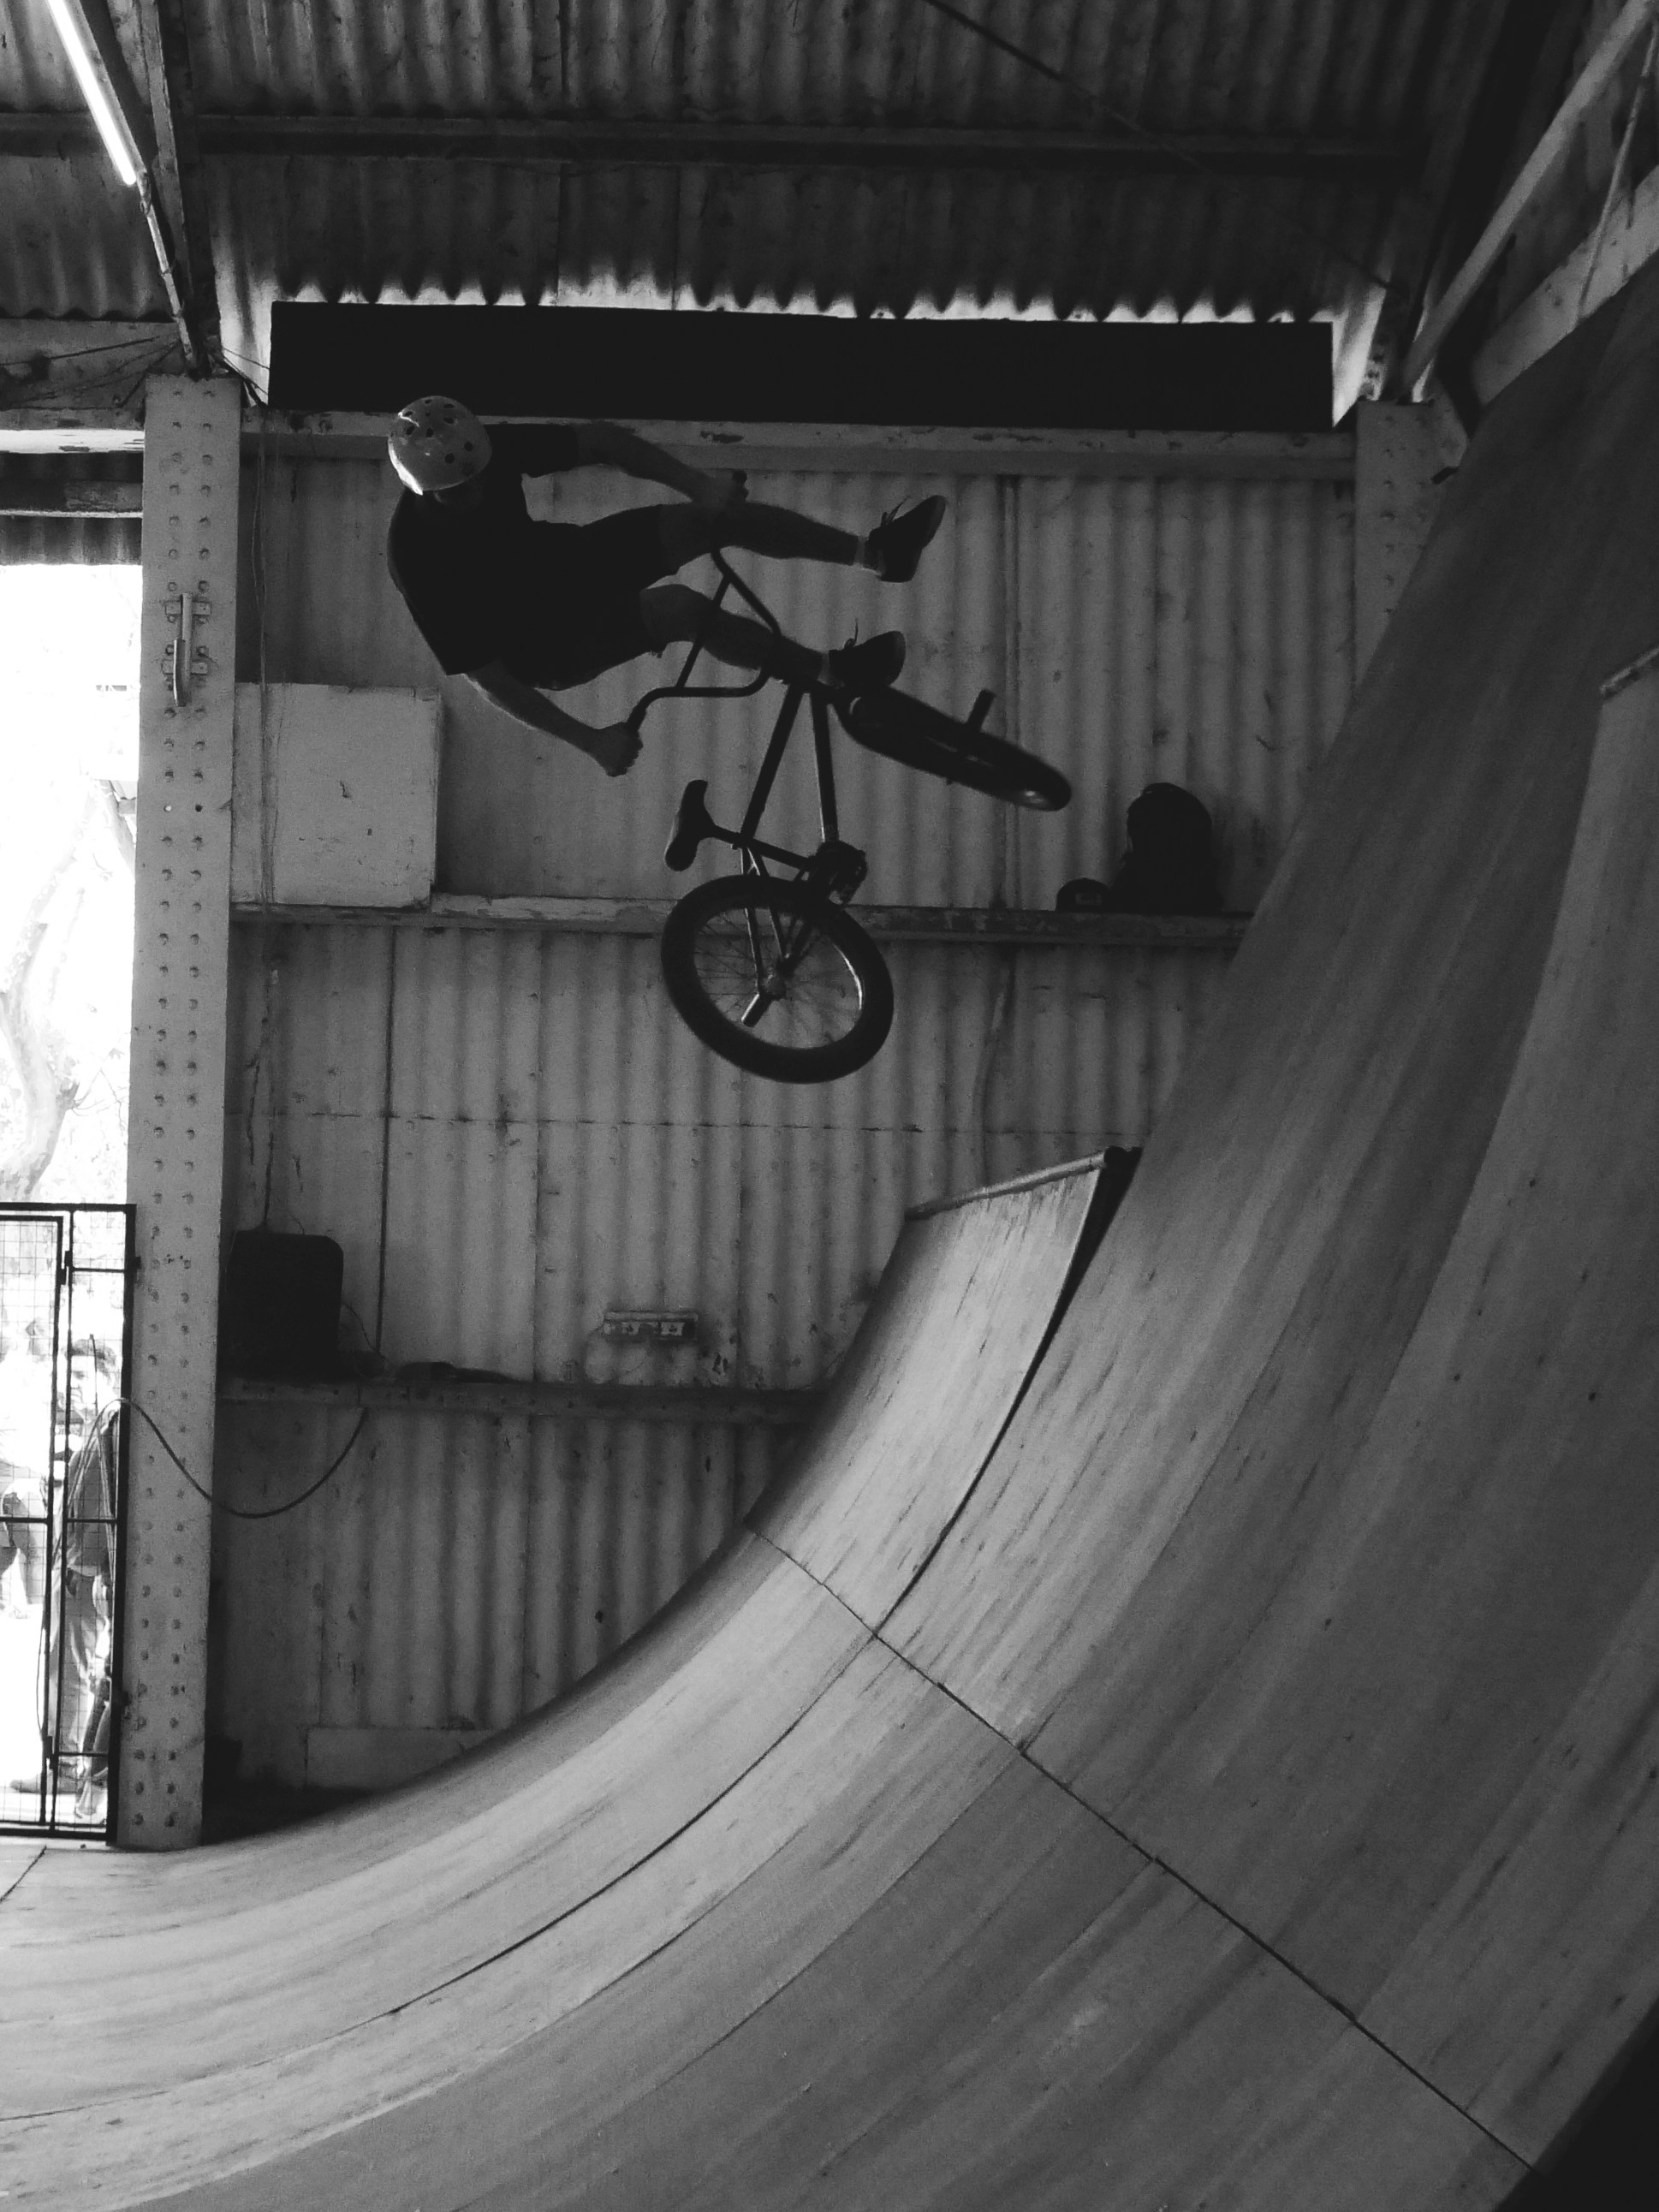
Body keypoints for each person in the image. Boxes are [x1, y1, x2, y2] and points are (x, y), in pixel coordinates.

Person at [385, 396, 948, 777]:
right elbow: (490, 679)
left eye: (482, 479)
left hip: (560, 564)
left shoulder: (488, 450)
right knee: (679, 609)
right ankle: (833, 673)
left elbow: (601, 441)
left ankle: (880, 555)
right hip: (541, 643)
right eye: (458, 493)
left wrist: (697, 484)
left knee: (710, 518)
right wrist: (590, 741)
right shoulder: (414, 556)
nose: (478, 494)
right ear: (424, 490)